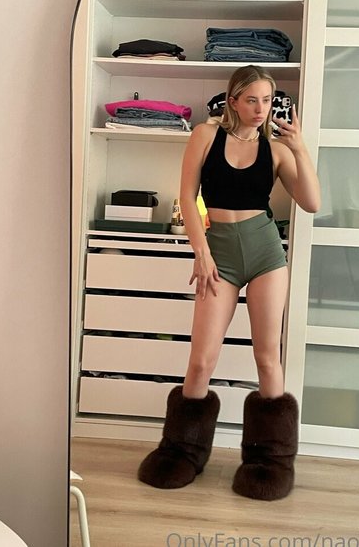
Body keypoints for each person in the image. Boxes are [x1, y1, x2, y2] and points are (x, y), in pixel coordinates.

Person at [138, 65, 321, 500]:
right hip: (217, 250)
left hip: (265, 253)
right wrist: (201, 251)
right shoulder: (205, 135)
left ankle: (270, 463)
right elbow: (187, 196)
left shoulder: (277, 150)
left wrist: (300, 147)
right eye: (252, 99)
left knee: (266, 357)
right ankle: (181, 451)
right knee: (201, 360)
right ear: (233, 99)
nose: (261, 109)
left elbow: (312, 202)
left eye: (267, 101)